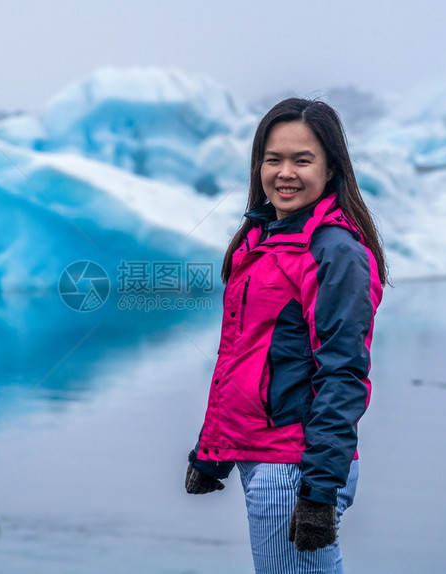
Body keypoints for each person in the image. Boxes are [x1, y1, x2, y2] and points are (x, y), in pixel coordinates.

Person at [185, 97, 388, 574]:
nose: (285, 172)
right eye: (273, 159)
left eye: (302, 159)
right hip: (264, 459)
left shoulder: (335, 252)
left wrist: (318, 493)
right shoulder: (261, 240)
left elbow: (343, 375)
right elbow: (242, 358)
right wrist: (213, 451)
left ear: (331, 168)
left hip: (294, 469)